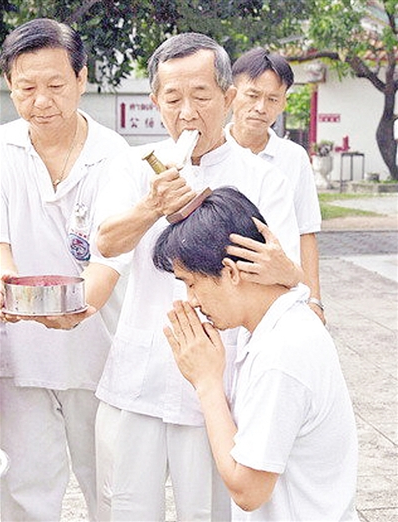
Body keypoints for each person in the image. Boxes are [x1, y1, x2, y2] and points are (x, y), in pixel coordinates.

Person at [94, 32, 302, 521]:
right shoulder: (132, 166)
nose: (187, 112)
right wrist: (151, 206)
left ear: (228, 98)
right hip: (138, 376)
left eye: (201, 96)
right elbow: (105, 243)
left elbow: (283, 273)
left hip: (219, 384)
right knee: (123, 506)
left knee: (208, 511)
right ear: (155, 102)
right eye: (173, 98)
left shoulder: (263, 179)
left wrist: (285, 271)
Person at [153, 186, 359, 521]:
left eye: (191, 283)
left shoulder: (281, 354)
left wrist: (207, 383)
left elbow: (248, 490)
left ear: (232, 272)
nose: (190, 300)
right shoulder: (282, 320)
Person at [0, 18, 130, 521]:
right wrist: (11, 289)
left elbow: (109, 257)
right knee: (24, 491)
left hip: (96, 353)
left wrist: (81, 306)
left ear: (82, 78)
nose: (41, 101)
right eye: (26, 88)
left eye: (55, 85)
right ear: (10, 86)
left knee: (112, 489)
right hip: (20, 354)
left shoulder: (112, 156)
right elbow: (1, 245)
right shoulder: (4, 149)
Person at [225, 48, 325, 323]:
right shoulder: (209, 151)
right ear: (232, 94)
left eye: (272, 99)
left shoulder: (294, 158)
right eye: (253, 95)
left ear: (283, 103)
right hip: (222, 291)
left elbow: (306, 232)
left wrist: (314, 299)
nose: (261, 108)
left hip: (280, 292)